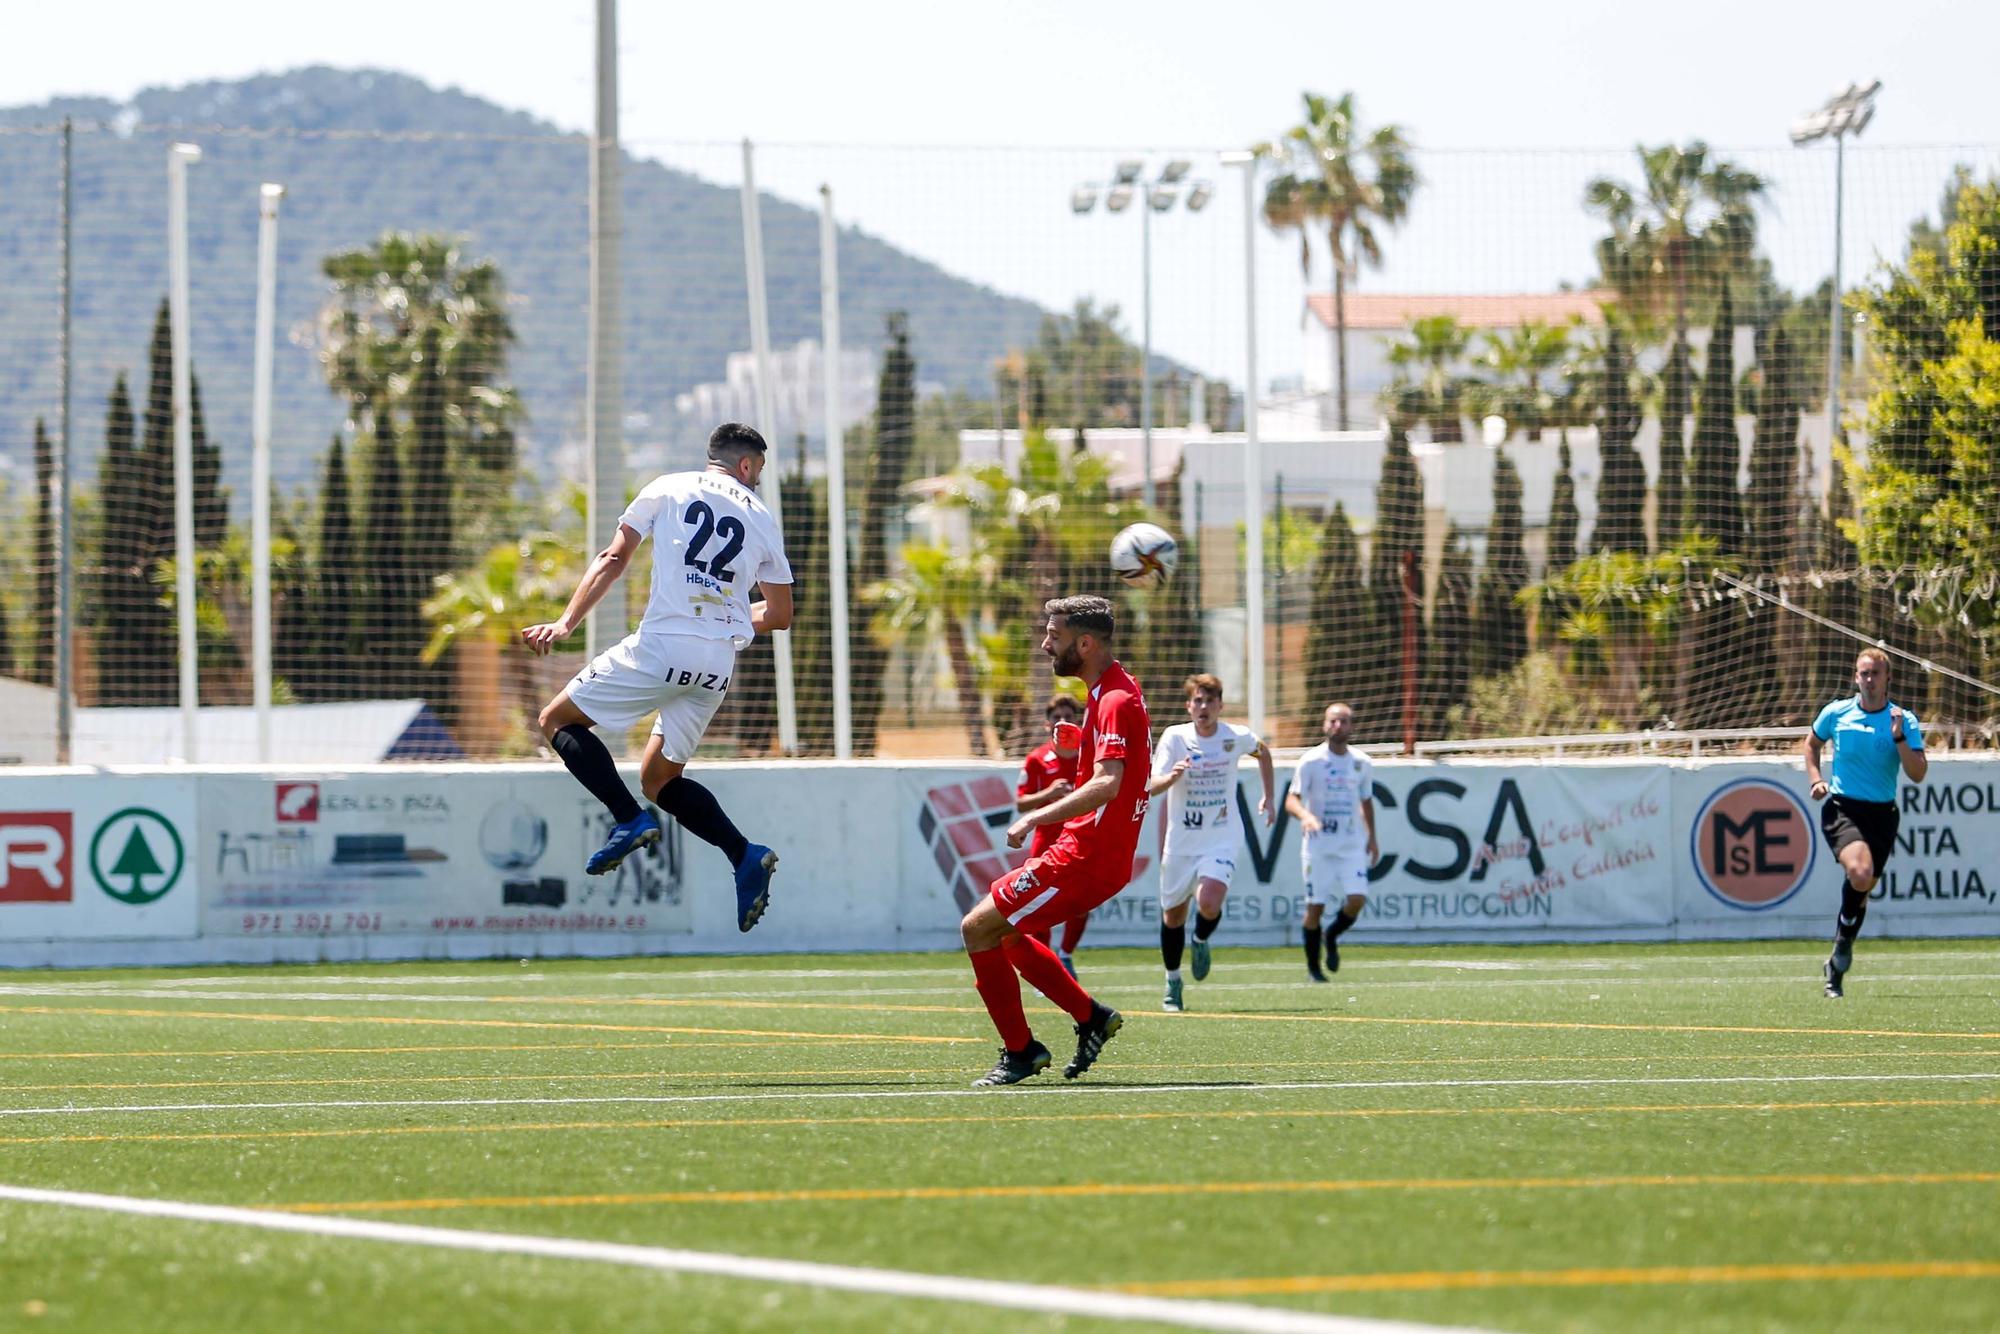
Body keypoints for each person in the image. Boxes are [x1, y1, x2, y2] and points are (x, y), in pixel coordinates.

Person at [521, 422, 791, 933]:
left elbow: (613, 558)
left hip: (662, 646)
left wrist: (565, 623)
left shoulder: (667, 486)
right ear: (748, 465)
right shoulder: (761, 517)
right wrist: (728, 617)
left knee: (556, 720)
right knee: (659, 779)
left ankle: (627, 818)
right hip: (716, 666)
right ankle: (743, 854)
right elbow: (779, 615)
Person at [960, 596, 1148, 1086]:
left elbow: (1108, 784)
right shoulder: (1112, 691)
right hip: (1088, 853)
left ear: (1085, 643)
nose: (1046, 645)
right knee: (1011, 935)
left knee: (978, 929)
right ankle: (1091, 1018)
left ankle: (1021, 1051)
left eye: (1054, 636)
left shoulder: (1113, 699)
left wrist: (1033, 817)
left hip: (1085, 857)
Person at [1804, 647, 1929, 998]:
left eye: (1875, 673)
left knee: (1862, 887)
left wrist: (1900, 738)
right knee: (1859, 872)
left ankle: (1840, 950)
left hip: (1882, 816)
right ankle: (1842, 949)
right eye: (1864, 673)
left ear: (1888, 678)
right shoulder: (1837, 713)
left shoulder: (1902, 720)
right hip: (1843, 808)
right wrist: (1815, 779)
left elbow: (1918, 774)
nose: (1869, 680)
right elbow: (1811, 744)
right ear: (1855, 677)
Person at [1146, 673, 1275, 1011]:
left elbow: (1263, 752)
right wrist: (1172, 776)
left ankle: (1201, 938)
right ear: (1189, 706)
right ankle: (1173, 981)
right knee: (1173, 916)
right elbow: (1151, 785)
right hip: (1182, 840)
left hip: (1222, 836)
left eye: (1209, 701)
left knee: (1209, 900)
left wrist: (1269, 797)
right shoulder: (1175, 737)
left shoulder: (1235, 737)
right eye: (1197, 701)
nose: (1203, 707)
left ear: (1220, 706)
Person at [1285, 702, 1378, 980]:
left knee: (1357, 899)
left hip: (1350, 844)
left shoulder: (1362, 762)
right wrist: (1305, 816)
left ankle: (1332, 935)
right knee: (1315, 906)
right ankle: (1314, 969)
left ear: (1352, 727)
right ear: (1325, 725)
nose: (1339, 726)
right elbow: (1292, 799)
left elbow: (1366, 801)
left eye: (1344, 721)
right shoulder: (1311, 761)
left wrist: (1372, 837)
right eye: (1333, 721)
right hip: (1319, 846)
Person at [1016, 694, 1090, 977]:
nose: (1063, 722)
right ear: (1048, 724)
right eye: (1057, 718)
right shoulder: (1037, 759)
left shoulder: (1090, 756)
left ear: (1077, 722)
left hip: (1080, 842)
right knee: (1038, 906)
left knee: (1081, 904)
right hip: (1046, 844)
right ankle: (1046, 967)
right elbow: (1021, 802)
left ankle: (1066, 955)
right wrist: (1050, 793)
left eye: (1068, 717)